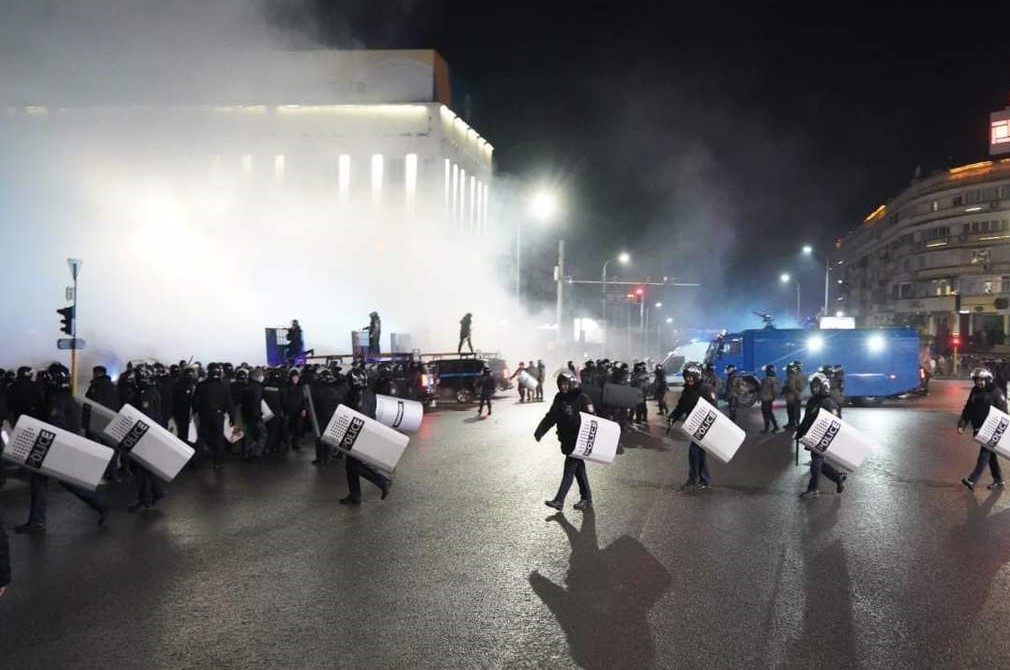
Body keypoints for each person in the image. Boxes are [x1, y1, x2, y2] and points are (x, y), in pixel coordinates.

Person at [15, 363, 110, 533]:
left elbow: (55, 426)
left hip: (55, 448)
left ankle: (37, 522)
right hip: (63, 447)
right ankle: (99, 504)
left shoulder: (56, 402)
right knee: (50, 481)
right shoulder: (68, 398)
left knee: (45, 481)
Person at [535, 372, 595, 511]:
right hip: (566, 439)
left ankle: (559, 500)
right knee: (579, 469)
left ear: (572, 383)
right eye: (561, 384)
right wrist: (540, 431)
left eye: (566, 384)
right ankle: (586, 498)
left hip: (579, 440)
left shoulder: (582, 398)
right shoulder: (559, 398)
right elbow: (551, 416)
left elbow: (592, 420)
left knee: (569, 468)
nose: (563, 387)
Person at [340, 369, 392, 505]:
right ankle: (355, 495)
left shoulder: (353, 395)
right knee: (352, 465)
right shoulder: (370, 394)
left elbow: (351, 413)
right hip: (367, 431)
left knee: (353, 465)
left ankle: (381, 481)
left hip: (356, 432)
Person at [667, 364, 716, 490]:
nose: (689, 379)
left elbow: (714, 407)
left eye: (691, 377)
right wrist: (673, 417)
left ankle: (693, 480)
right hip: (694, 425)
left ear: (697, 376)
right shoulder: (687, 391)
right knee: (699, 453)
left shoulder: (706, 388)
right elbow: (681, 406)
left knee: (694, 452)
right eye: (687, 377)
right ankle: (704, 480)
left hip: (704, 425)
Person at [797, 372, 846, 499]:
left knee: (816, 463)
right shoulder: (812, 401)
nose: (814, 388)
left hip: (822, 438)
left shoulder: (829, 402)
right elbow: (807, 419)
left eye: (817, 386)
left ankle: (813, 489)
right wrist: (800, 431)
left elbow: (836, 421)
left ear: (824, 386)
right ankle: (837, 478)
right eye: (813, 386)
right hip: (812, 437)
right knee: (818, 464)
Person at [958, 367, 1007, 491]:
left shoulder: (996, 392)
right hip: (978, 429)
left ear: (987, 380)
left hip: (992, 429)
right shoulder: (974, 391)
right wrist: (961, 424)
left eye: (982, 380)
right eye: (977, 380)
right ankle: (998, 479)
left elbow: (1004, 412)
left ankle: (972, 480)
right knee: (991, 456)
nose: (979, 382)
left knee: (984, 454)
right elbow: (968, 408)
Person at [128, 365, 166, 512]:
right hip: (149, 435)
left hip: (145, 436)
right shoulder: (150, 391)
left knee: (141, 469)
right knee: (146, 468)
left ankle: (146, 500)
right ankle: (156, 492)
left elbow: (145, 418)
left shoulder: (145, 394)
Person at [192, 362, 235, 470]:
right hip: (218, 415)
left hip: (205, 415)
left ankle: (196, 461)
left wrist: (198, 411)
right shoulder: (224, 386)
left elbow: (195, 401)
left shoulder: (201, 385)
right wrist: (232, 416)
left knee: (202, 437)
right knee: (218, 438)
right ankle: (217, 462)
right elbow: (230, 402)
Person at [311, 368, 344, 467]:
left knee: (319, 438)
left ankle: (320, 458)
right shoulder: (336, 391)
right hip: (332, 417)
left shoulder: (316, 391)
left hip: (320, 417)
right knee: (329, 438)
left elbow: (314, 405)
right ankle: (327, 458)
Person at [234, 368, 266, 462]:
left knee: (249, 434)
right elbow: (255, 403)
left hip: (245, 414)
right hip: (255, 415)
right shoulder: (258, 387)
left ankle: (247, 454)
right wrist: (258, 415)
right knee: (262, 434)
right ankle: (256, 454)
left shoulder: (246, 385)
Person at [281, 368, 307, 452]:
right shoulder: (286, 387)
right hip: (289, 410)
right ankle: (286, 443)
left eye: (297, 378)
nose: (296, 379)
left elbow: (303, 399)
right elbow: (283, 399)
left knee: (298, 428)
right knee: (286, 428)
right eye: (294, 378)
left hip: (298, 411)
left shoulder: (300, 387)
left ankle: (295, 443)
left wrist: (303, 409)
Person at [783, 361, 806, 430]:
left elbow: (800, 386)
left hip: (796, 396)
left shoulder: (800, 375)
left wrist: (793, 389)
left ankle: (797, 424)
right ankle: (790, 423)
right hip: (790, 396)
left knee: (795, 411)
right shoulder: (794, 375)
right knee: (790, 410)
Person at [759, 364, 781, 433]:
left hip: (768, 399)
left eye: (766, 370)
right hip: (764, 399)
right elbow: (762, 389)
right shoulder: (767, 379)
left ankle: (769, 428)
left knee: (767, 413)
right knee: (768, 413)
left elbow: (775, 390)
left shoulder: (772, 379)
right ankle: (774, 427)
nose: (766, 372)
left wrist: (773, 397)